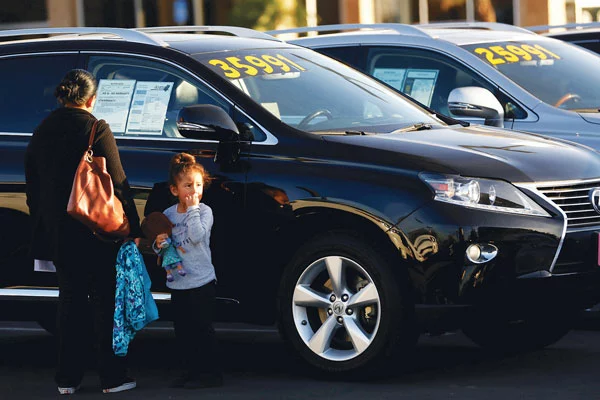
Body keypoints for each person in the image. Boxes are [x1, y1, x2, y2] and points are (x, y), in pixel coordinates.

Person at [24, 69, 142, 395]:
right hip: (96, 230)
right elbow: (118, 183)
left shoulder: (40, 131)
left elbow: (32, 188)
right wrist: (131, 225)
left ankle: (67, 379)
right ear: (91, 99)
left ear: (63, 96)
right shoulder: (96, 128)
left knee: (70, 300)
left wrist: (46, 224)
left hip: (59, 232)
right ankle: (112, 377)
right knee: (105, 300)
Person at [154, 152, 223, 389]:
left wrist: (193, 208)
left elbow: (196, 237)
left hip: (202, 281)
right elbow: (162, 249)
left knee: (202, 328)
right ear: (175, 190)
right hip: (179, 283)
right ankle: (190, 371)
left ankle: (211, 373)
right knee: (183, 330)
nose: (194, 191)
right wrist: (159, 243)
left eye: (198, 185)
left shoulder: (204, 211)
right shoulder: (169, 215)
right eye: (188, 186)